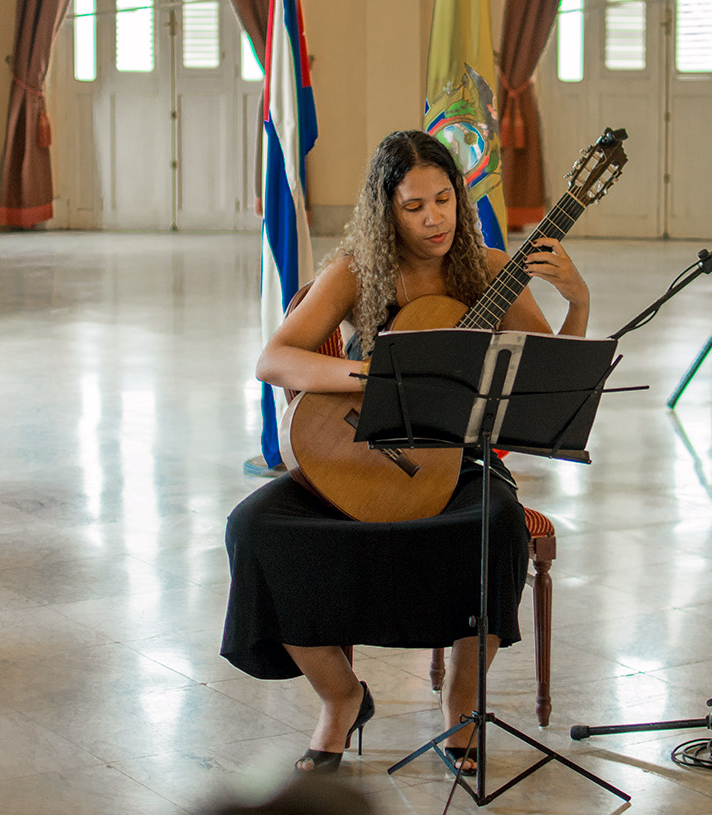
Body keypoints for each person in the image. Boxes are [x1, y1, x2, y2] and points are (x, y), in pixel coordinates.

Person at [221, 130, 589, 775]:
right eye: (414, 206)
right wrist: (370, 377)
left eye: (444, 199)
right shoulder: (360, 271)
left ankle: (462, 703)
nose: (434, 218)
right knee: (253, 527)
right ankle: (341, 700)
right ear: (386, 209)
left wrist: (577, 300)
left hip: (458, 463)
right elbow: (273, 359)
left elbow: (548, 376)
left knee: (497, 527)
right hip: (359, 454)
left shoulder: (492, 269)